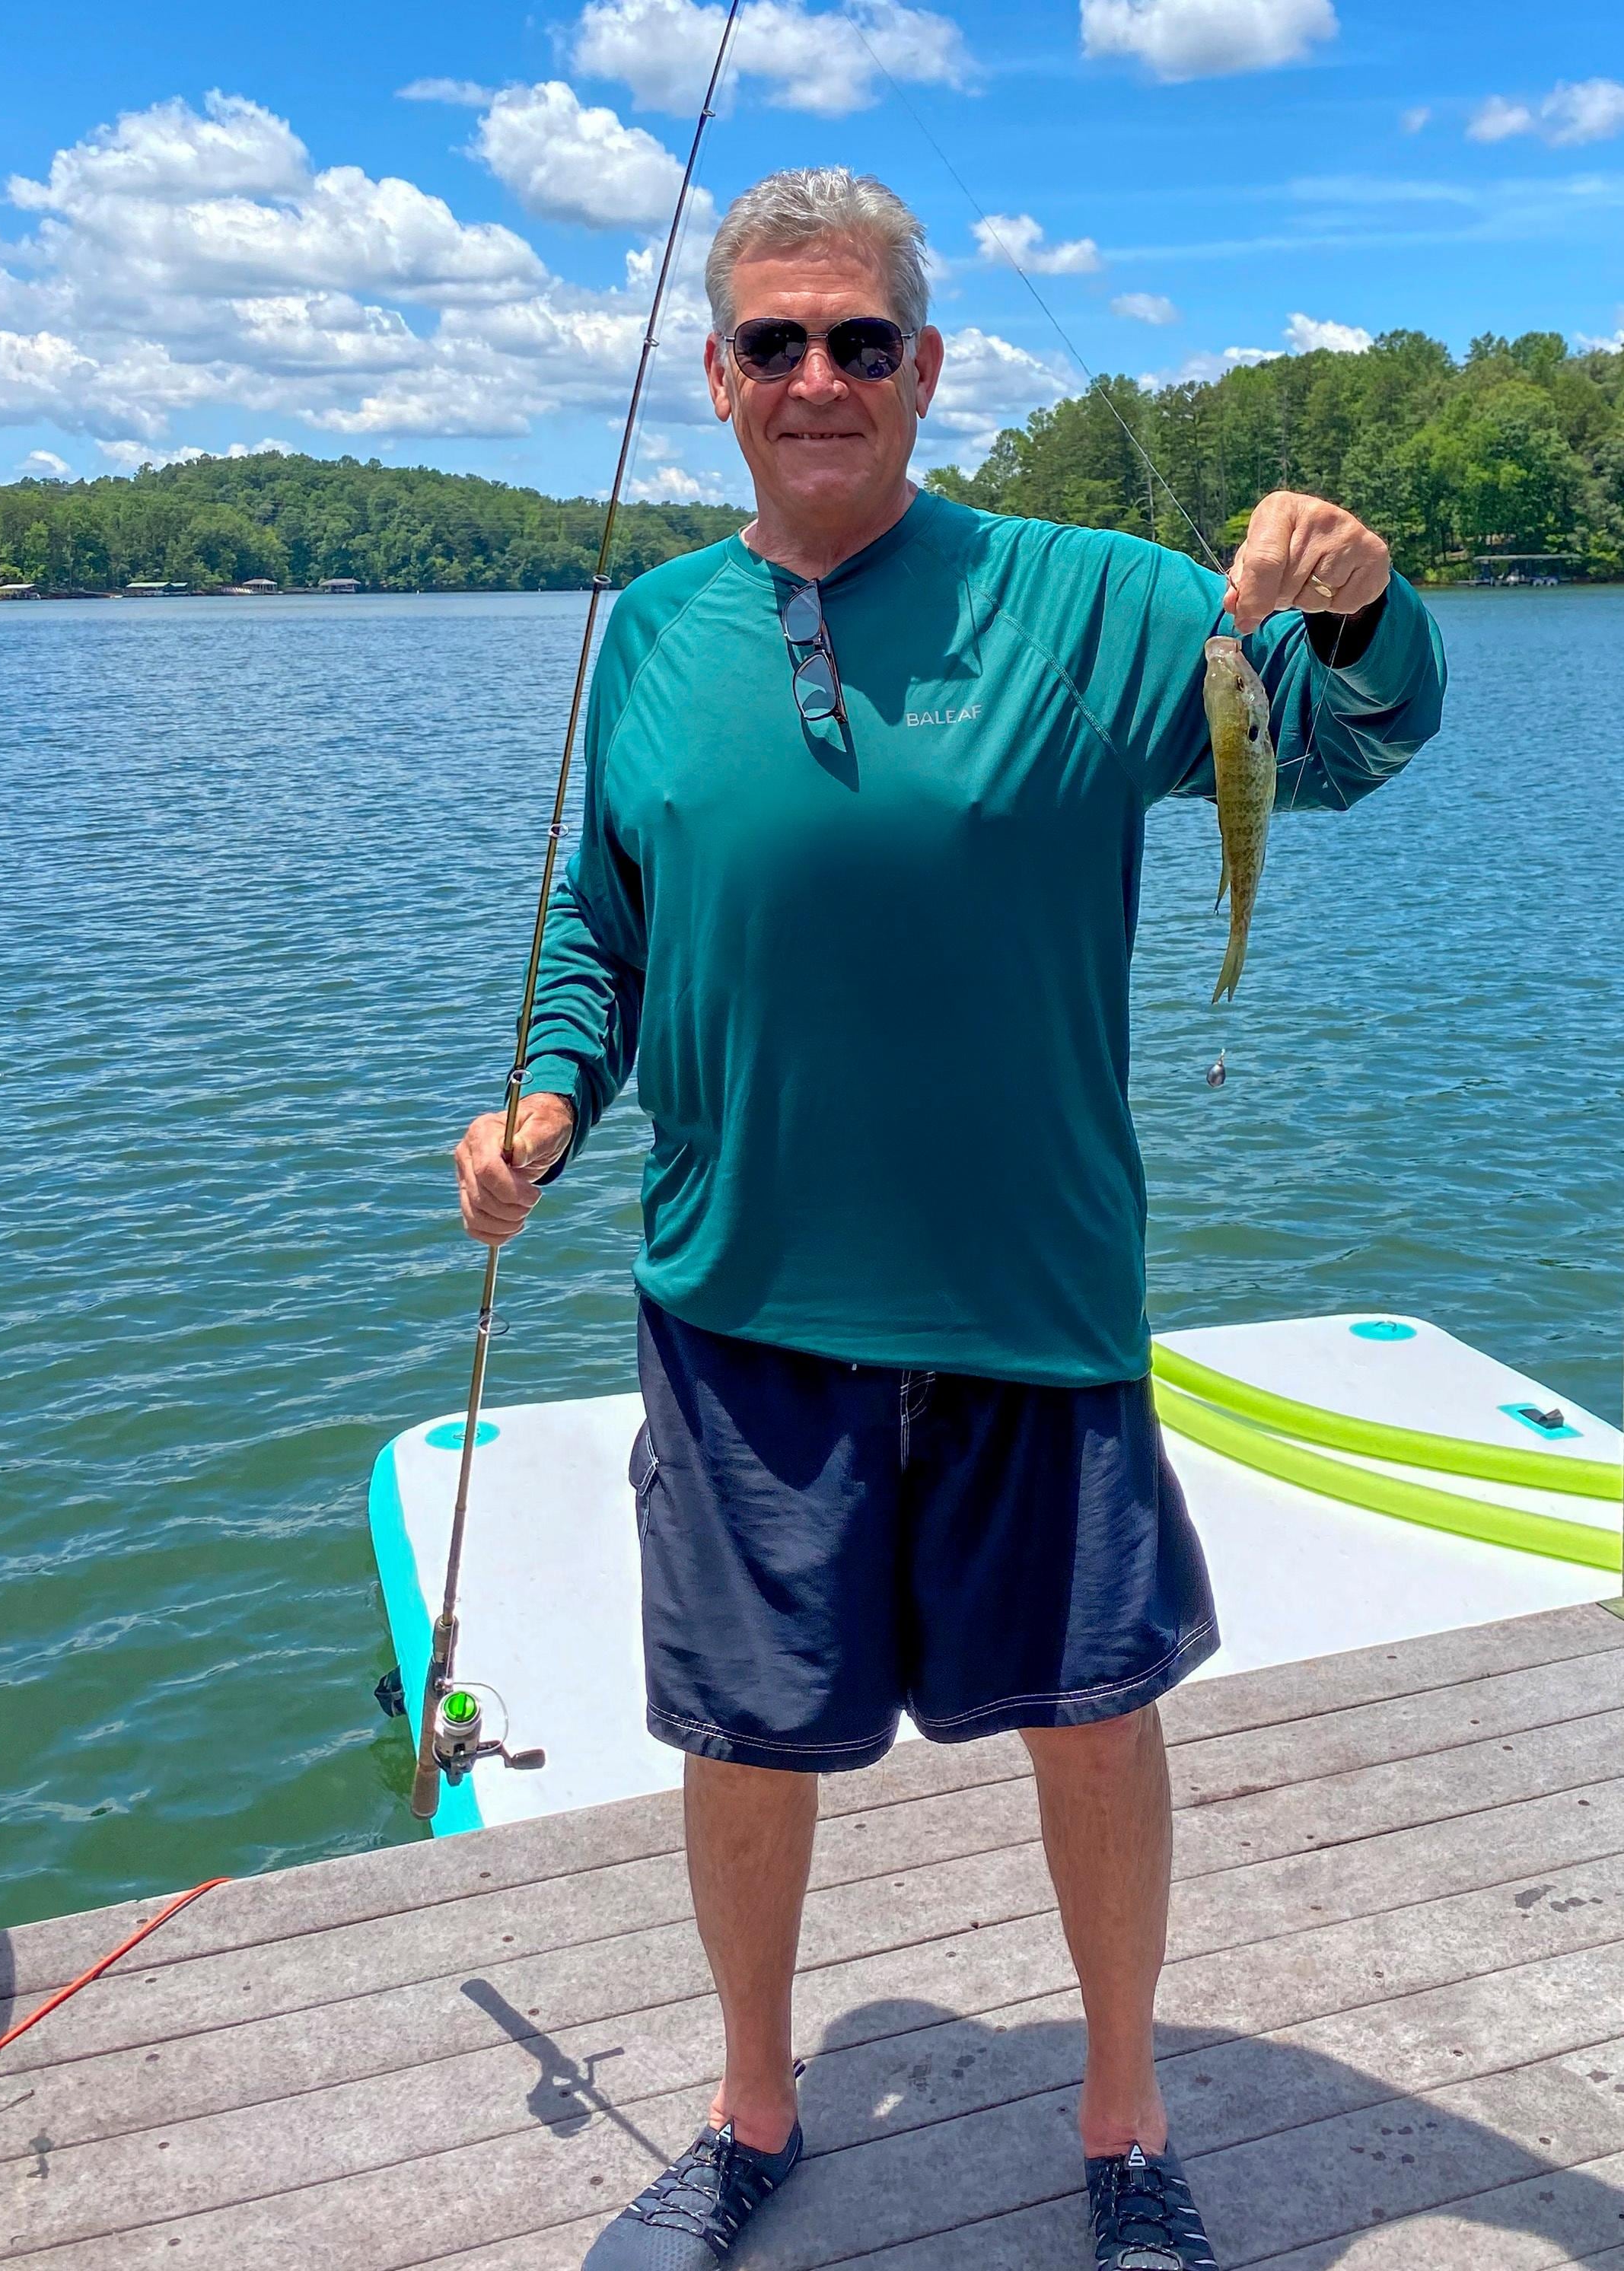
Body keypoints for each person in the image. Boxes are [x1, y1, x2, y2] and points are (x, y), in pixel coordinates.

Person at [454, 169, 1446, 2269]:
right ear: (717, 375)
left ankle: (1122, 2125)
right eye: (776, 343)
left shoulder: (1097, 601)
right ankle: (749, 2110)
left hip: (1030, 1290)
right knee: (741, 1736)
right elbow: (597, 927)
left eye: (861, 342)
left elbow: (1348, 742)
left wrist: (1356, 600)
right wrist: (549, 1096)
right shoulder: (643, 634)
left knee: (1094, 1716)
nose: (820, 379)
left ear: (928, 368)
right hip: (741, 1298)